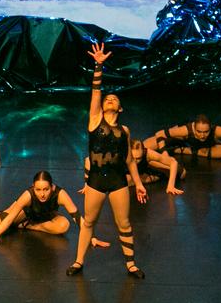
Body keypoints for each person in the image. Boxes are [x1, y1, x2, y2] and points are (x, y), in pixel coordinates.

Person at [67, 43, 147, 279]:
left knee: (124, 224)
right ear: (102, 106)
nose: (110, 100)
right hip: (95, 182)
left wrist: (139, 183)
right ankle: (79, 261)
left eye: (115, 99)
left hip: (118, 182)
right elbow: (95, 92)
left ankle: (131, 264)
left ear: (120, 108)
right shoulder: (94, 121)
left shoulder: (125, 130)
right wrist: (99, 66)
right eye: (108, 98)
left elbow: (130, 159)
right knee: (89, 221)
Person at [0, 171, 112, 247]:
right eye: (38, 190)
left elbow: (77, 217)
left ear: (52, 187)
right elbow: (10, 218)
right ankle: (16, 220)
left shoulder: (60, 194)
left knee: (64, 225)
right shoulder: (28, 195)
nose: (42, 194)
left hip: (44, 216)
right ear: (33, 187)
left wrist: (91, 237)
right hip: (25, 213)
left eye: (45, 189)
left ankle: (29, 226)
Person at [144, 114, 221, 165]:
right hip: (181, 140)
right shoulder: (186, 130)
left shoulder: (216, 130)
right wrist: (164, 153)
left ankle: (180, 150)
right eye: (199, 132)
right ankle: (176, 148)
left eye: (206, 132)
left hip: (200, 148)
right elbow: (160, 133)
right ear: (194, 128)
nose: (203, 135)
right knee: (146, 145)